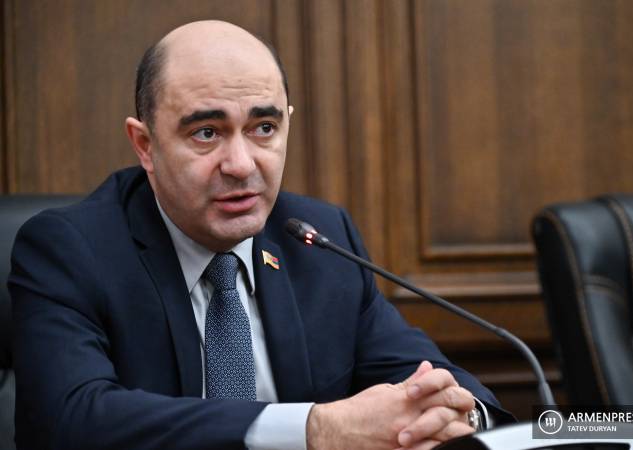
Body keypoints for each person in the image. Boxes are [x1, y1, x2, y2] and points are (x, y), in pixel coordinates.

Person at [9, 20, 513, 450]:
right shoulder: (71, 251)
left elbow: (428, 377)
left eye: (264, 128)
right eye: (207, 132)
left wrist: (459, 414)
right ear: (145, 144)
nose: (241, 164)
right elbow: (72, 420)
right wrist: (314, 428)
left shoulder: (318, 240)